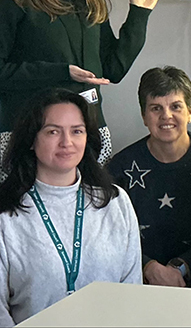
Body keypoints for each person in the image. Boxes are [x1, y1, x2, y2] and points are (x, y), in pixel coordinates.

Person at [0, 0, 161, 173]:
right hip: (27, 135)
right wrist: (63, 73)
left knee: (86, 214)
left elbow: (112, 70)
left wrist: (139, 15)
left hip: (88, 133)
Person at [0, 89, 141, 326]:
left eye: (77, 131)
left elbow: (132, 287)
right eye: (53, 131)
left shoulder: (115, 202)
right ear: (31, 140)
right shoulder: (6, 212)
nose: (67, 142)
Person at [107, 66, 191, 288]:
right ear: (144, 116)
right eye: (156, 108)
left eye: (176, 107)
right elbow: (109, 234)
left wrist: (182, 267)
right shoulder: (119, 167)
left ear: (190, 112)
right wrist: (148, 266)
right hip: (139, 281)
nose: (166, 116)